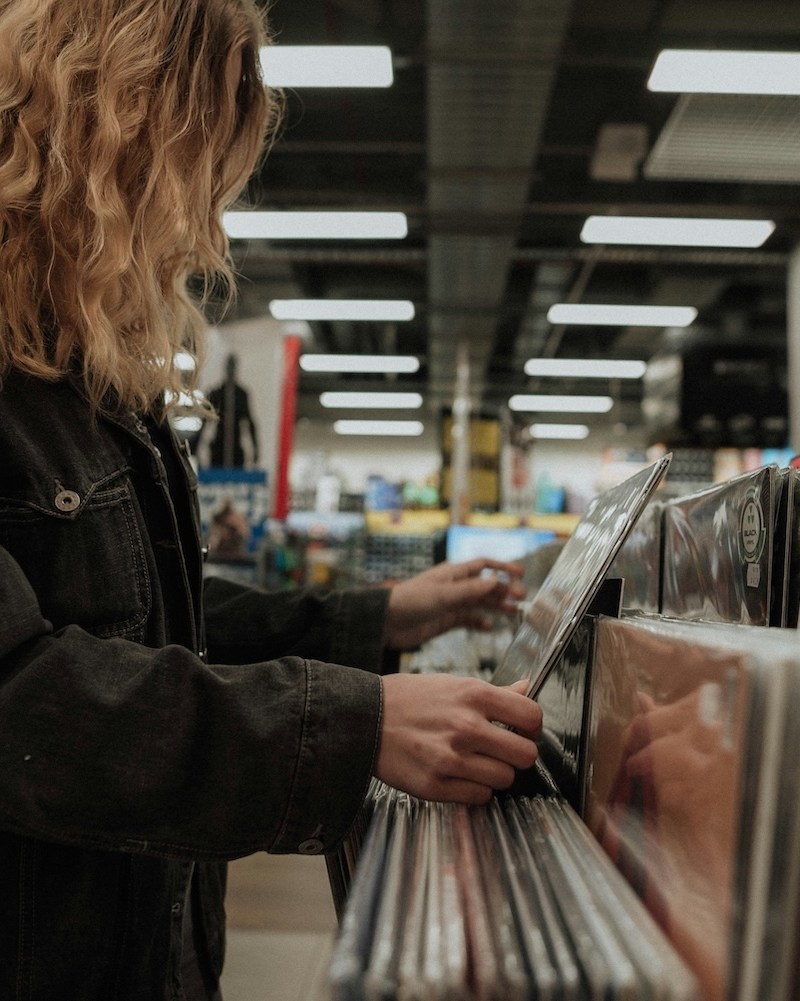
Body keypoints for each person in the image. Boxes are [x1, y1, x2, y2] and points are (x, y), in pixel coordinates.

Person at [0, 2, 543, 999]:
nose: (200, 219)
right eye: (186, 169)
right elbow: (25, 689)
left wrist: (381, 614)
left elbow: (155, 619)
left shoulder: (81, 373)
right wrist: (347, 725)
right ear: (92, 134)